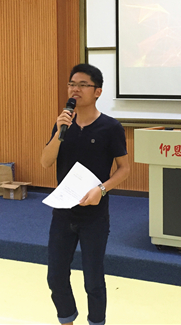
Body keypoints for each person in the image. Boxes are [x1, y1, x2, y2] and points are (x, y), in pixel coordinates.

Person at [40, 63, 130, 325]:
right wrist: (59, 132)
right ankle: (67, 319)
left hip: (94, 215)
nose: (75, 90)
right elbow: (45, 162)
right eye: (72, 84)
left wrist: (101, 189)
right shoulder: (62, 124)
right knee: (56, 276)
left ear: (97, 91)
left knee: (93, 280)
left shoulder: (110, 127)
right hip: (62, 212)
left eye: (82, 85)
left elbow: (124, 169)